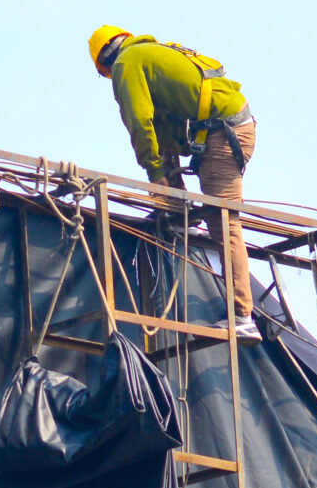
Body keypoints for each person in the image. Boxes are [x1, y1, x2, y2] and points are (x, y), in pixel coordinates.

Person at [88, 26, 261, 337]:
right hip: (222, 128)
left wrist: (156, 174)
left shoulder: (126, 66)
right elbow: (157, 121)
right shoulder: (150, 53)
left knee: (223, 222)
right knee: (162, 145)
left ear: (104, 67)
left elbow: (139, 122)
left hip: (224, 134)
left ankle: (242, 316)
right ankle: (176, 212)